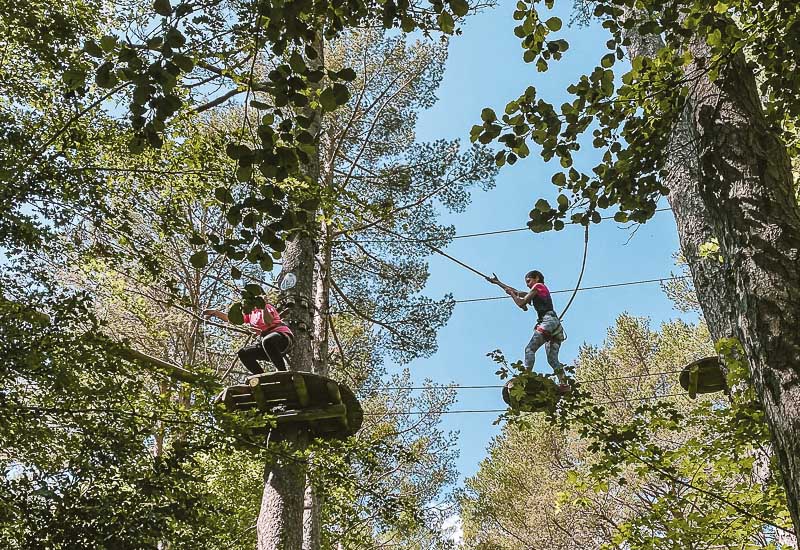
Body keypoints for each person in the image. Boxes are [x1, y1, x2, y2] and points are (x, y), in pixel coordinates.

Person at [487, 270, 568, 389]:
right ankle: (564, 384)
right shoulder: (538, 291)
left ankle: (526, 377)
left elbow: (521, 303)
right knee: (552, 360)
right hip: (556, 327)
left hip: (548, 322)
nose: (528, 285)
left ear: (537, 278)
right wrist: (498, 283)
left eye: (529, 281)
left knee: (529, 349)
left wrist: (513, 295)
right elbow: (516, 292)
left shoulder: (538, 286)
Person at [203, 301, 293, 375]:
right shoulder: (250, 314)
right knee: (243, 353)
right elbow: (232, 319)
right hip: (268, 346)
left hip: (282, 337)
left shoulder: (266, 306)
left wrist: (263, 307)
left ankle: (282, 372)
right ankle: (261, 377)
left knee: (267, 341)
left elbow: (268, 322)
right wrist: (215, 312)